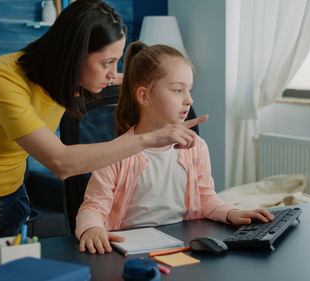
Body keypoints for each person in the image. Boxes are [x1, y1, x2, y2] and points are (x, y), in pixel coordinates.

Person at [0, 0, 206, 250]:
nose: (112, 72)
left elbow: (119, 79)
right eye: (107, 62)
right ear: (74, 54)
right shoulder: (3, 81)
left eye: (116, 61)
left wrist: (162, 87)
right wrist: (148, 138)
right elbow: (61, 162)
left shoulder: (69, 79)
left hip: (11, 198)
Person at [76, 42, 274, 255]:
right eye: (178, 90)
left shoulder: (195, 147)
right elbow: (93, 207)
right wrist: (92, 228)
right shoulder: (115, 153)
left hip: (184, 246)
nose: (189, 99)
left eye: (189, 90)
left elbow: (205, 197)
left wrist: (230, 212)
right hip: (132, 253)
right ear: (144, 96)